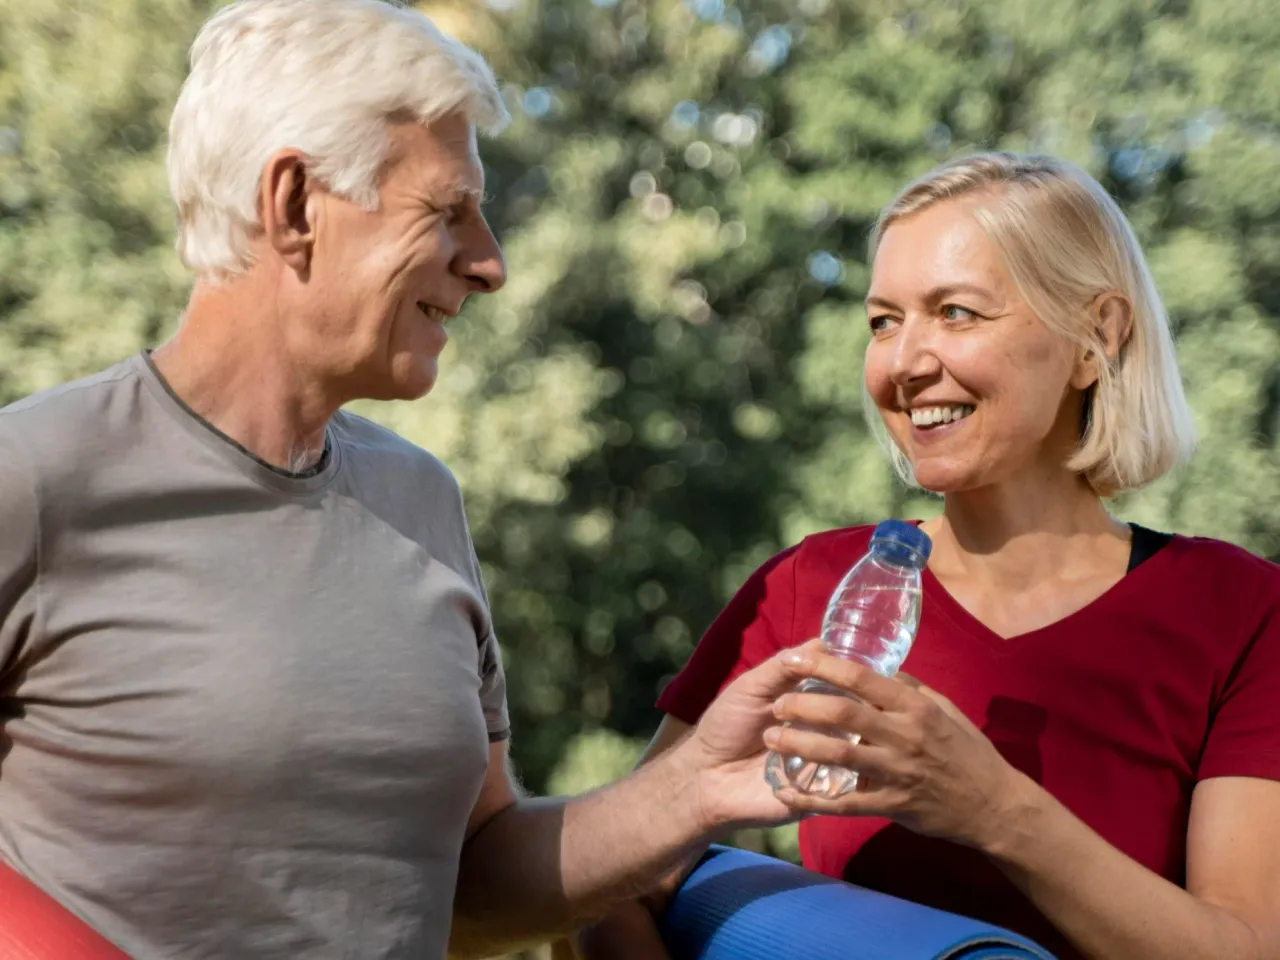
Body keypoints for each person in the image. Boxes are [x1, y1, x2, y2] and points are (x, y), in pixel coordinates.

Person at [0, 1, 856, 957]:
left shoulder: (419, 499)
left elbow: (474, 885)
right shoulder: (33, 478)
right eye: (446, 211)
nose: (489, 264)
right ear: (293, 205)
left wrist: (696, 783)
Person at [574, 153, 1280, 960]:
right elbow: (618, 879)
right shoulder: (807, 586)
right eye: (883, 321)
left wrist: (992, 810)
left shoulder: (1244, 611)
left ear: (1096, 336)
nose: (905, 364)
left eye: (956, 313)